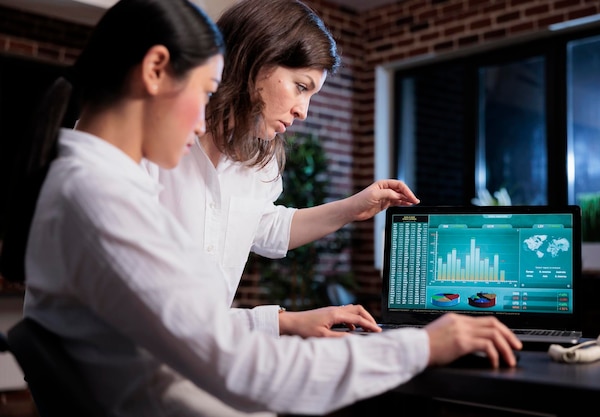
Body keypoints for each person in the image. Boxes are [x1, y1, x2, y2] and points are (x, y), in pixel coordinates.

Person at [0, 0, 522, 416]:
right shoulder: (105, 195)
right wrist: (423, 346)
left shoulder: (85, 179)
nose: (202, 123)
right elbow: (239, 365)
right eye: (204, 92)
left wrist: (282, 320)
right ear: (158, 70)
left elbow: (185, 321)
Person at [145, 0, 417, 339]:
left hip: (203, 351)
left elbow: (264, 227)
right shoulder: (147, 140)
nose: (303, 111)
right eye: (300, 86)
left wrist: (353, 207)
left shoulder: (259, 158)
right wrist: (281, 322)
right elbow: (143, 305)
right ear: (255, 60)